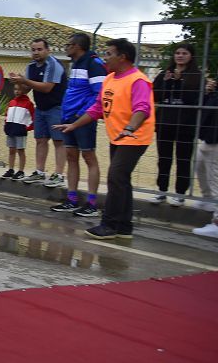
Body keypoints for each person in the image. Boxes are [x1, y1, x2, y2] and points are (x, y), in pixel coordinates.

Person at [57, 38, 154, 240]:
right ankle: (124, 227)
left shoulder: (138, 80)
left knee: (116, 177)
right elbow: (97, 109)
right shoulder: (110, 79)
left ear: (123, 57)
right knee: (122, 180)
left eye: (109, 54)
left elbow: (142, 109)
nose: (105, 58)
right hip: (117, 136)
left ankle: (109, 224)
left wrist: (130, 127)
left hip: (134, 137)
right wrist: (74, 125)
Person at [51, 34, 106, 217]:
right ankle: (72, 199)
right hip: (68, 118)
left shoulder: (94, 63)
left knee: (89, 157)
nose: (65, 48)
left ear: (76, 46)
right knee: (71, 156)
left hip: (82, 120)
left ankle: (92, 203)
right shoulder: (76, 64)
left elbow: (98, 94)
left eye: (68, 45)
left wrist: (81, 114)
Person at [10, 38, 68, 188]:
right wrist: (18, 82)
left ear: (48, 50)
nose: (36, 52)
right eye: (33, 50)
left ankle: (59, 175)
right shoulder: (31, 66)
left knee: (58, 141)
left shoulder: (53, 65)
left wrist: (25, 81)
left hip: (56, 107)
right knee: (40, 140)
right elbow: (28, 89)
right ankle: (40, 172)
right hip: (40, 108)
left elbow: (47, 87)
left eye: (39, 49)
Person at [151, 43, 201, 205]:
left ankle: (180, 193)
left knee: (183, 160)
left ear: (191, 56)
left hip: (186, 125)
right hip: (165, 123)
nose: (180, 56)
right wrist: (167, 82)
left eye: (184, 53)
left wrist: (179, 82)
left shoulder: (196, 77)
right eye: (177, 53)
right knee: (163, 159)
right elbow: (156, 96)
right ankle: (161, 191)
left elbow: (193, 100)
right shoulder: (164, 74)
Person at [193, 77, 218, 239]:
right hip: (209, 136)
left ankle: (217, 223)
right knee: (200, 166)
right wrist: (210, 92)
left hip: (215, 138)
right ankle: (208, 199)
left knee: (215, 178)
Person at [2, 81, 35, 180]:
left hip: (20, 130)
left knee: (21, 150)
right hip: (11, 129)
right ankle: (11, 169)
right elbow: (7, 115)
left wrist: (26, 128)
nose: (17, 91)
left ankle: (21, 171)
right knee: (11, 150)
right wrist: (6, 125)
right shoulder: (12, 102)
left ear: (24, 91)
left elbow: (33, 119)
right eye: (15, 89)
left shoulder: (28, 104)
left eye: (19, 89)